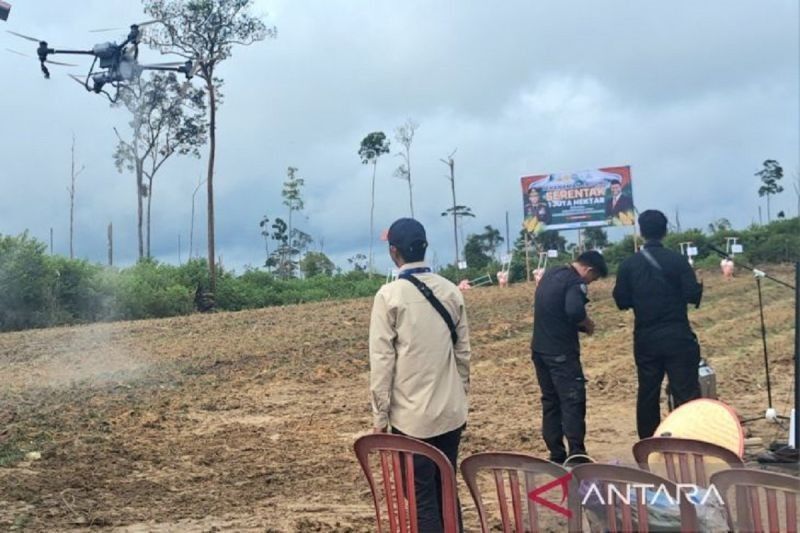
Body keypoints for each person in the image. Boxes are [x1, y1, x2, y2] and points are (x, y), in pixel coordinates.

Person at [369, 217, 471, 532]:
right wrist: (459, 393)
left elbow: (382, 361)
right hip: (451, 414)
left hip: (411, 420)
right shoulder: (452, 291)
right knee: (446, 486)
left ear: (393, 251)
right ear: (425, 247)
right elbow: (463, 354)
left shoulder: (389, 296)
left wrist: (380, 416)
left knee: (422, 497)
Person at [612, 210, 703, 439]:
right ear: (665, 231)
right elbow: (692, 295)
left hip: (646, 338)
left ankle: (648, 444)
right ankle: (688, 439)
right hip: (678, 335)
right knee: (685, 391)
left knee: (648, 393)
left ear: (641, 232)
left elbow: (621, 300)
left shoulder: (628, 265)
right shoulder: (678, 260)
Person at [531, 250, 608, 465]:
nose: (591, 283)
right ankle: (576, 454)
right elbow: (574, 311)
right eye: (594, 278)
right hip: (561, 353)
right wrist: (587, 324)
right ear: (589, 270)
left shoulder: (552, 273)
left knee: (550, 401)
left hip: (539, 349)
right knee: (572, 400)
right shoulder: (575, 282)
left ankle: (556, 454)